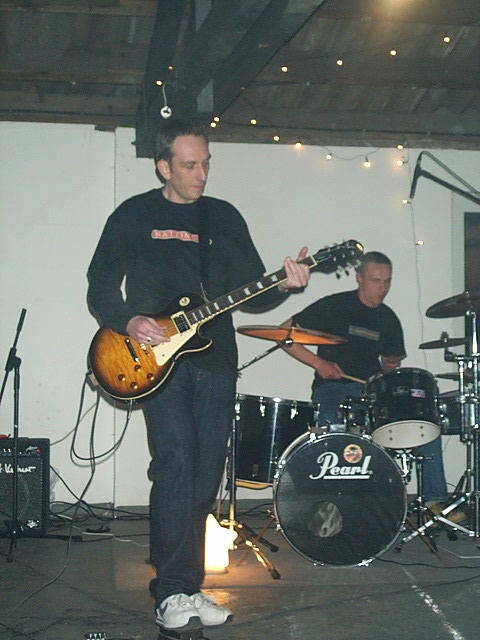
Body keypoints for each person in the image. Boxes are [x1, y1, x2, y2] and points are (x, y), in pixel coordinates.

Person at [87, 119, 310, 632]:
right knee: (176, 465)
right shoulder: (134, 214)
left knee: (206, 474)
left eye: (206, 164)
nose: (201, 174)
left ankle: (189, 587)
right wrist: (128, 320)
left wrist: (286, 284)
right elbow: (99, 284)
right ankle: (169, 592)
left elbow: (254, 293)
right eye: (190, 165)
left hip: (215, 359)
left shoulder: (223, 217)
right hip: (154, 360)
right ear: (163, 167)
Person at [281, 251, 455, 517]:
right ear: (359, 278)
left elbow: (390, 362)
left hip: (373, 392)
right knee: (331, 423)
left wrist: (391, 367)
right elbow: (283, 334)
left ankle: (435, 500)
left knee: (424, 423)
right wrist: (319, 363)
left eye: (387, 281)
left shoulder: (388, 318)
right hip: (333, 388)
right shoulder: (335, 305)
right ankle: (326, 501)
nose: (383, 288)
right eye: (376, 280)